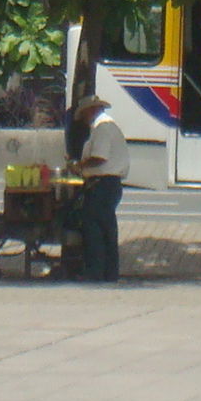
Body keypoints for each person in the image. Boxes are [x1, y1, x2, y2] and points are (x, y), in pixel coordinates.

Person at [69, 94, 129, 282]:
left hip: (103, 184)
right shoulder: (105, 127)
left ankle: (96, 271)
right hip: (109, 184)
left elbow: (99, 156)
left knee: (94, 227)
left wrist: (80, 166)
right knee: (107, 229)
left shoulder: (102, 128)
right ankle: (109, 272)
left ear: (91, 111)